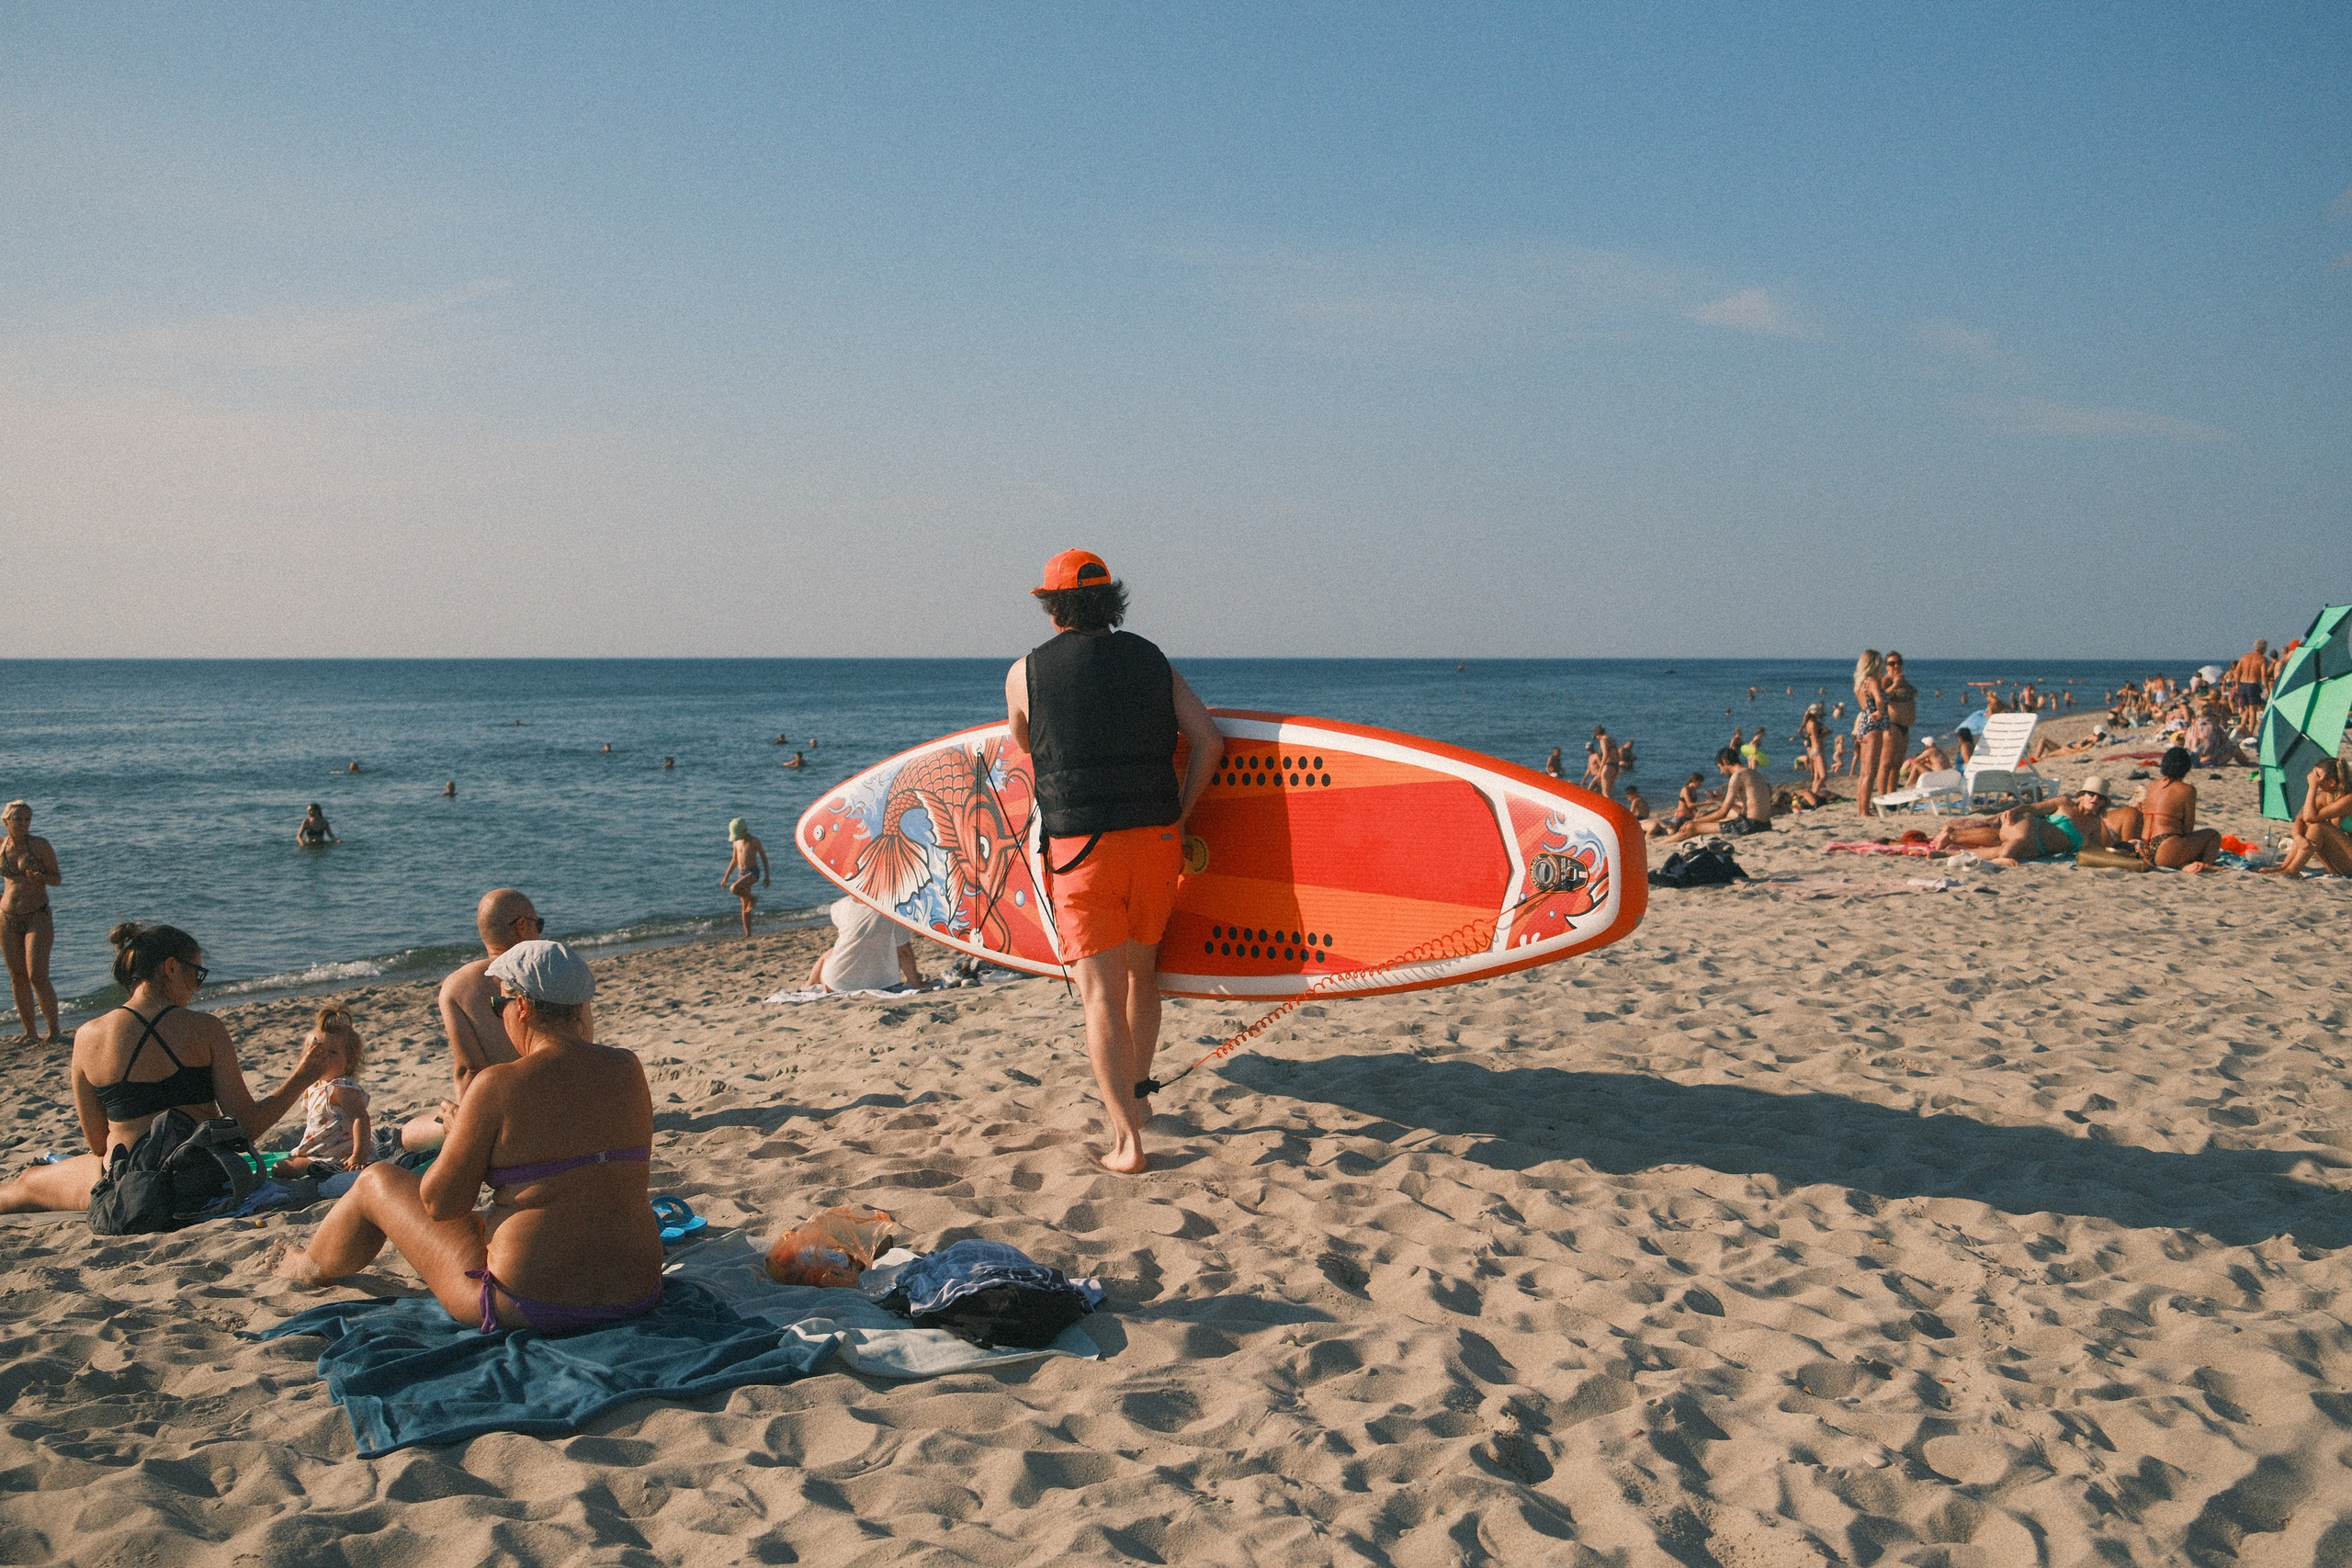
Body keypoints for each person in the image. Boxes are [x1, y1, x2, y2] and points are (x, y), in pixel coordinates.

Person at [268, 941, 665, 1334]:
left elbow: (442, 1204)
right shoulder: (627, 1067)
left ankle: (306, 1266)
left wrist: (460, 1134)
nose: (500, 1015)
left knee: (376, 1181)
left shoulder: (499, 1084)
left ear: (522, 1007)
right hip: (636, 1289)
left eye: (498, 1005)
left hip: (528, 1302)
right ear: (579, 1008)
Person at [1004, 548, 1221, 1175]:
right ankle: (1140, 1097)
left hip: (1083, 849)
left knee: (1099, 992)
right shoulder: (1152, 660)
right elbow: (1209, 741)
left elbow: (1024, 740)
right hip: (1155, 841)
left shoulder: (1025, 672)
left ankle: (1127, 1142)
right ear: (1110, 603)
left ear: (1053, 609)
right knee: (1141, 975)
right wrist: (1179, 814)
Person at [0, 923, 336, 1213]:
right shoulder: (206, 1029)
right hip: (199, 1179)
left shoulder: (88, 1036)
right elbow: (247, 1126)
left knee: (30, 1182)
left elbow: (99, 1145)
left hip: (130, 1187)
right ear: (171, 968)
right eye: (197, 974)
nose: (197, 987)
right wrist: (302, 1077)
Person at [440, 889, 544, 1097]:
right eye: (539, 924)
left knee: (425, 1119)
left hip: (504, 1103)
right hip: (560, 1094)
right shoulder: (551, 970)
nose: (540, 932)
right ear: (522, 926)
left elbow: (469, 1070)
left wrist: (463, 1116)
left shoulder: (457, 985)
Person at [275, 1008, 372, 1178]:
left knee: (281, 1169)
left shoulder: (341, 1088)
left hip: (340, 1157)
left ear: (350, 1061)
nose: (324, 1057)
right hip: (320, 1152)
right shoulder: (313, 1087)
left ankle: (328, 1170)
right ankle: (320, 1169)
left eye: (333, 1053)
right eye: (316, 1051)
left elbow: (361, 1119)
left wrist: (358, 1156)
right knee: (282, 1167)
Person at [1, 802, 62, 1044]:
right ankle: (30, 1031)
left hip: (37, 915)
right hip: (7, 917)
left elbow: (57, 879)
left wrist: (41, 877)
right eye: (18, 819)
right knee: (17, 976)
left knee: (37, 974)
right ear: (6, 821)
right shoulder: (1, 846)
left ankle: (54, 1031)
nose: (24, 824)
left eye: (27, 819)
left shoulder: (39, 845)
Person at [1928, 788, 2116, 866]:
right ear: (2082, 795)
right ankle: (2001, 858)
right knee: (2016, 843)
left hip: (2039, 848)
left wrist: (2122, 848)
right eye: (2091, 794)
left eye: (2100, 798)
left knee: (2001, 844)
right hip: (2029, 825)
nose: (2094, 799)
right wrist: (2016, 810)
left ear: (2103, 803)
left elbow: (2095, 849)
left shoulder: (2094, 824)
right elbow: (2034, 808)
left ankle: (1949, 849)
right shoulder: (2065, 803)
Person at [806, 897, 925, 991]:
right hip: (882, 985)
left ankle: (808, 985)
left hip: (837, 985)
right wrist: (916, 983)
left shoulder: (840, 906)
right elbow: (903, 952)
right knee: (879, 946)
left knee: (830, 954)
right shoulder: (897, 910)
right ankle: (809, 985)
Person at [1655, 749, 1773, 841]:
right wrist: (1722, 800)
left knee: (1691, 827)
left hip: (1750, 825)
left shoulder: (1737, 776)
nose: (1721, 772)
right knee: (1726, 819)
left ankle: (1662, 844)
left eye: (1720, 768)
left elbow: (1722, 812)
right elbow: (1749, 805)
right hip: (1765, 824)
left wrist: (1696, 821)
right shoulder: (1753, 773)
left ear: (1725, 762)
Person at [2137, 746, 2222, 872]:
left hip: (2144, 849)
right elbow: (2188, 829)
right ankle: (2204, 865)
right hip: (2166, 848)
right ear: (2186, 767)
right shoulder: (2187, 790)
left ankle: (2183, 864)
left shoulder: (2152, 785)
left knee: (2181, 845)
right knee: (2213, 835)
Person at [2264, 761, 2352, 876]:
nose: (2312, 778)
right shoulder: (2327, 797)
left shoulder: (2349, 800)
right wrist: (2298, 837)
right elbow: (2301, 819)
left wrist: (2312, 787)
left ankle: (2292, 871)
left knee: (2318, 827)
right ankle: (2285, 867)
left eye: (2317, 776)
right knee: (2308, 825)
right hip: (2343, 862)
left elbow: (2310, 816)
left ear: (2332, 782)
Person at [1876, 653, 1917, 804]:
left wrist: (1901, 683)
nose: (1896, 666)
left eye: (1899, 662)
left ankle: (1891, 796)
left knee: (1897, 765)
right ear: (1886, 666)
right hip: (1891, 725)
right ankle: (1882, 798)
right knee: (1886, 764)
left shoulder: (1903, 680)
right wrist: (1894, 685)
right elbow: (1879, 699)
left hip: (1905, 727)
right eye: (1892, 663)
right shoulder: (1885, 680)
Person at [1851, 650, 1888, 818]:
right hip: (1874, 727)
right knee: (1870, 772)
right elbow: (1879, 699)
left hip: (1864, 725)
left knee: (1864, 772)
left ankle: (1861, 809)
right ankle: (1864, 810)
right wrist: (1880, 711)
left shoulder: (1861, 684)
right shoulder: (1872, 681)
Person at [721, 819, 769, 937]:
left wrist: (767, 876)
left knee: (734, 888)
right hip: (741, 873)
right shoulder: (736, 842)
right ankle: (748, 934)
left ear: (745, 831)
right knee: (745, 907)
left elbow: (764, 857)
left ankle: (753, 898)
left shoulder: (754, 841)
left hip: (753, 873)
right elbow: (734, 860)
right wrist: (726, 877)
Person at [2227, 639, 2270, 718]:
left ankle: (2243, 724)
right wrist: (2266, 688)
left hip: (2243, 684)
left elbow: (2237, 672)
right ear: (2263, 649)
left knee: (2247, 709)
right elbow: (2264, 675)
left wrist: (2237, 685)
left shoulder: (2244, 657)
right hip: (2253, 685)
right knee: (2253, 711)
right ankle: (2251, 727)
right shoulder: (2262, 659)